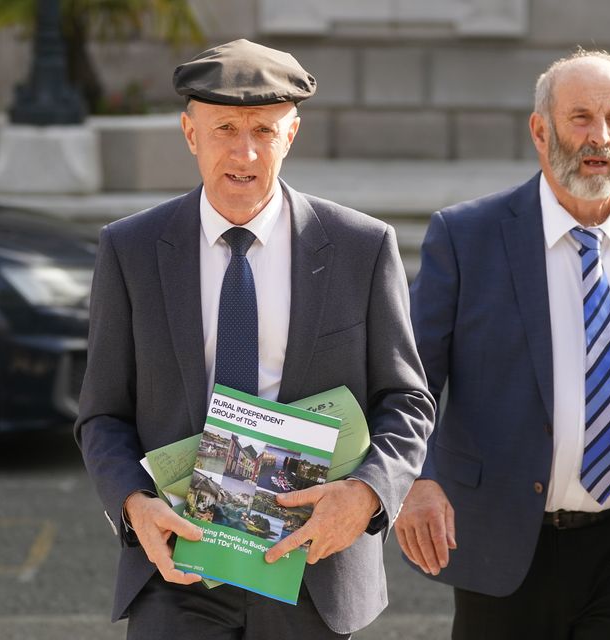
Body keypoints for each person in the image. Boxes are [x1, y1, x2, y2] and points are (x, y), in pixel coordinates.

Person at [75, 39, 434, 640]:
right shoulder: (131, 250)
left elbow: (408, 402)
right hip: (178, 571)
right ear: (190, 134)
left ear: (291, 135)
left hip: (313, 570)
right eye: (223, 130)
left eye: (264, 131)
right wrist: (135, 507)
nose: (244, 153)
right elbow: (102, 415)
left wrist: (368, 495)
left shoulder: (361, 248)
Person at [395, 49, 610, 639]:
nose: (598, 137)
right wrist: (417, 478)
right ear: (539, 128)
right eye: (579, 117)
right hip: (505, 547)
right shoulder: (467, 238)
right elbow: (410, 380)